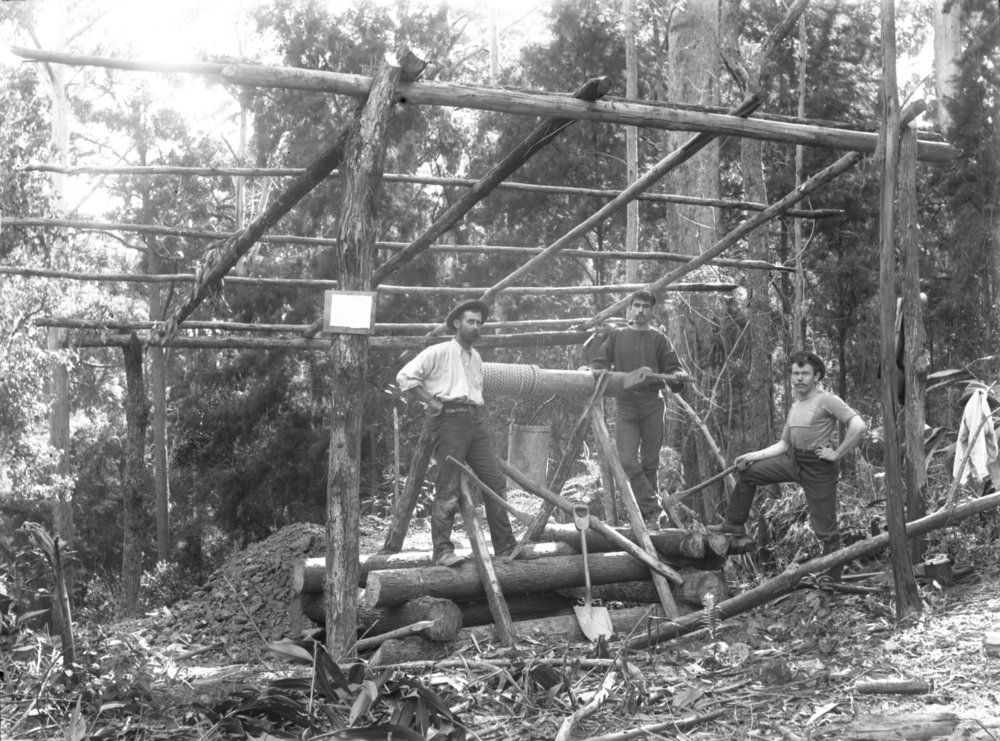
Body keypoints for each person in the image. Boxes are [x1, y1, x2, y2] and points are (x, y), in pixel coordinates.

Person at [396, 299, 535, 567]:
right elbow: (405, 376)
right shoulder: (438, 352)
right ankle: (443, 552)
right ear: (457, 324)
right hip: (449, 422)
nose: (476, 327)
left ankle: (506, 547)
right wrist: (430, 400)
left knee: (494, 482)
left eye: (479, 323)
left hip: (474, 421)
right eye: (471, 321)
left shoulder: (476, 357)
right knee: (448, 486)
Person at [711, 350, 867, 580]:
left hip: (819, 467)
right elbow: (784, 444)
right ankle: (734, 525)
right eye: (795, 374)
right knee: (749, 472)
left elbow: (859, 426)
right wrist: (752, 455)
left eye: (805, 373)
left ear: (816, 376)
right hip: (794, 461)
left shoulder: (827, 400)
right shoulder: (796, 406)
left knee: (825, 529)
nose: (799, 378)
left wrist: (837, 454)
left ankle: (832, 577)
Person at [584, 290, 687, 527]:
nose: (640, 310)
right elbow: (599, 363)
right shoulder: (618, 336)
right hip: (626, 405)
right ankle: (654, 508)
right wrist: (590, 371)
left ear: (652, 311)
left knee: (650, 463)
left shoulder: (660, 339)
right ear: (629, 309)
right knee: (628, 460)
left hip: (653, 402)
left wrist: (677, 375)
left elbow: (674, 371)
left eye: (645, 306)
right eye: (636, 306)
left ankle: (651, 520)